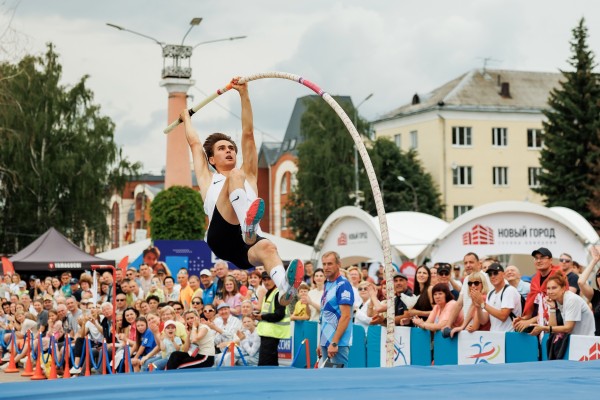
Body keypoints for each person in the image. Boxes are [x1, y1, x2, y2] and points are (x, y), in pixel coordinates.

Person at [182, 77, 304, 304]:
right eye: (222, 149)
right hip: (220, 236)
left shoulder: (249, 176)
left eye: (231, 148)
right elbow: (195, 144)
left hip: (243, 247)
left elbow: (248, 133)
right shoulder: (209, 179)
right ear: (211, 158)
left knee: (268, 246)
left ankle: (286, 292)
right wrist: (185, 118)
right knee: (234, 176)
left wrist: (243, 94)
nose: (228, 151)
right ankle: (247, 226)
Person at [317, 251, 354, 368]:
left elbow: (346, 316)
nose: (326, 267)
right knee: (327, 380)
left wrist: (334, 342)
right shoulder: (327, 283)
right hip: (326, 342)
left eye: (330, 264)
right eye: (324, 264)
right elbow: (324, 315)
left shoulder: (343, 284)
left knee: (340, 380)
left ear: (339, 264)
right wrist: (321, 342)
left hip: (338, 343)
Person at [513, 247, 562, 333]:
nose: (539, 261)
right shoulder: (534, 280)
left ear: (551, 260)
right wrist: (525, 318)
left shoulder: (558, 277)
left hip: (555, 327)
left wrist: (530, 321)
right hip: (538, 325)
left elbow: (557, 308)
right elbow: (533, 305)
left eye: (542, 257)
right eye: (536, 258)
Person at [530, 273, 595, 337]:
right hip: (575, 340)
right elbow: (552, 329)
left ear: (563, 288)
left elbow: (568, 328)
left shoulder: (572, 299)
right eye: (548, 288)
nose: (550, 292)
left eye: (554, 288)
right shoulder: (557, 300)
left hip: (587, 341)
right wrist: (552, 308)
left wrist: (543, 328)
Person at [254, 271, 290, 366]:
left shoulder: (278, 293)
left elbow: (279, 314)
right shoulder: (269, 293)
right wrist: (259, 315)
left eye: (269, 279)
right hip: (268, 333)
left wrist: (262, 316)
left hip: (272, 334)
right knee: (271, 364)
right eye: (264, 280)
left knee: (264, 365)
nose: (266, 282)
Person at [472, 263, 522, 332]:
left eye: (495, 273)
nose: (492, 276)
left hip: (509, 336)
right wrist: (478, 307)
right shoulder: (490, 294)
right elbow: (483, 321)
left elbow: (503, 316)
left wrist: (482, 304)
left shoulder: (509, 290)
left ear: (503, 274)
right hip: (495, 337)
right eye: (490, 274)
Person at [451, 272, 490, 337]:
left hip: (484, 336)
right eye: (470, 283)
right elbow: (471, 311)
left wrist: (466, 327)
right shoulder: (475, 298)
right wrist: (462, 326)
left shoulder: (483, 297)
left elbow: (475, 327)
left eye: (476, 283)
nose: (473, 286)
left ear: (483, 284)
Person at [577, 245, 600, 336]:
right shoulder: (596, 295)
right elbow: (581, 282)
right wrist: (594, 260)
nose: (599, 278)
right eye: (598, 275)